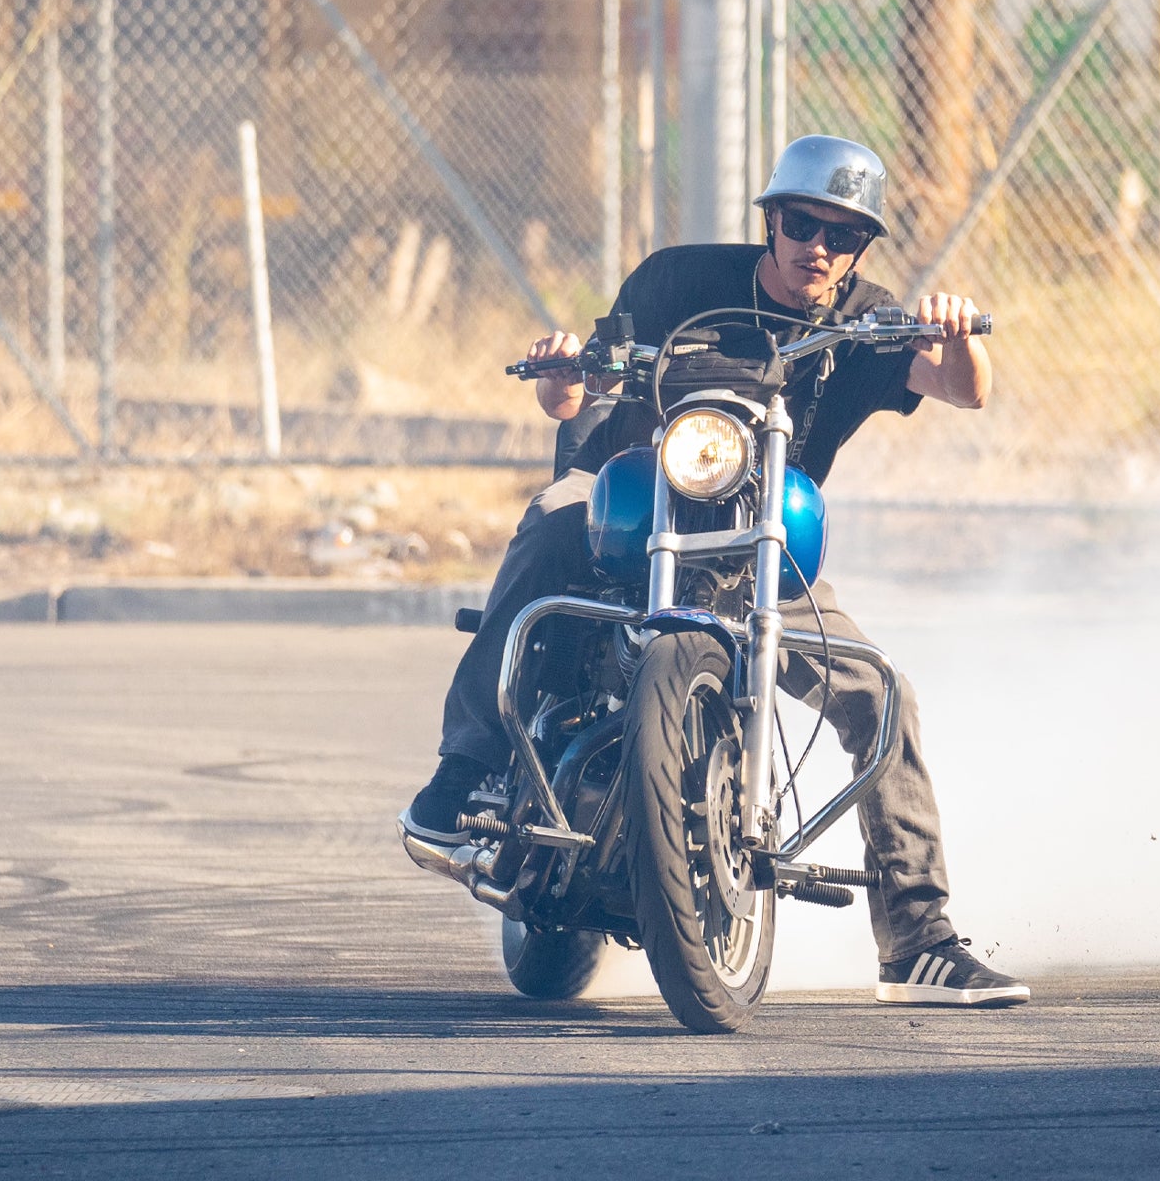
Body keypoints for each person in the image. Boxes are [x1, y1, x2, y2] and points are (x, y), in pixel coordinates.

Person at [401, 135, 1026, 1008]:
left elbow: (965, 388)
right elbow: (582, 384)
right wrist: (563, 381)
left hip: (757, 548)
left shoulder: (866, 320)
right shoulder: (678, 281)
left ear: (862, 249)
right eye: (804, 223)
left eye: (843, 235)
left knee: (884, 695)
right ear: (772, 220)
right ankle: (462, 768)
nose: (820, 246)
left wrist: (957, 334)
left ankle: (918, 941)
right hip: (627, 511)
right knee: (549, 518)